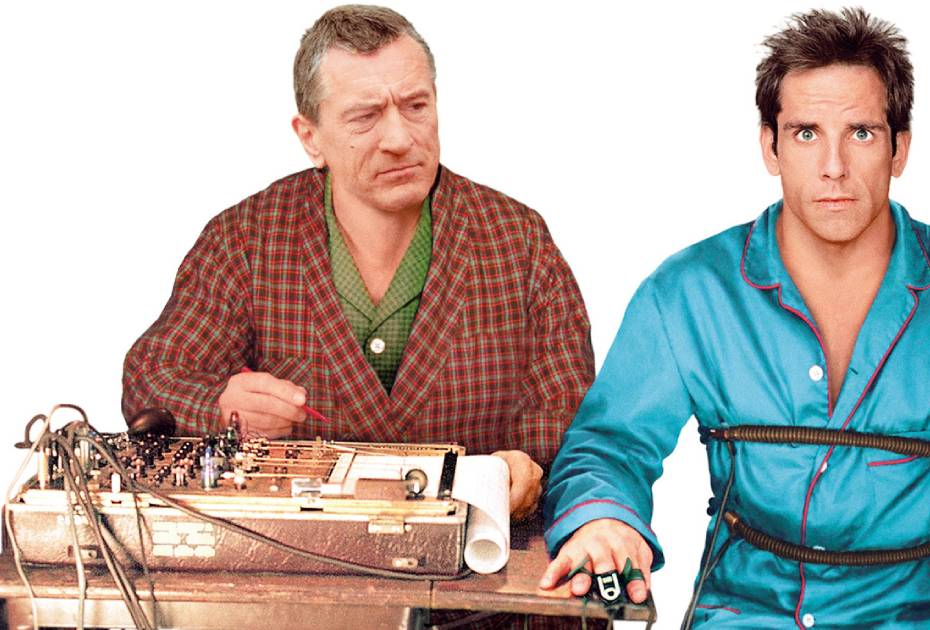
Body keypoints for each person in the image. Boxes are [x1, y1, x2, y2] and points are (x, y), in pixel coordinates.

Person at [541, 8, 930, 629]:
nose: (833, 167)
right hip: (748, 613)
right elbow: (609, 445)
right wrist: (603, 519)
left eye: (861, 133)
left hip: (928, 614)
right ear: (769, 147)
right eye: (805, 134)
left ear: (900, 148)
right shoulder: (686, 293)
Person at [122, 2, 592, 557]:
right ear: (310, 137)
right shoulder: (245, 239)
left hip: (478, 567)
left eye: (416, 106)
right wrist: (220, 408)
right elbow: (150, 378)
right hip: (298, 564)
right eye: (365, 117)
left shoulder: (518, 240)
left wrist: (529, 471)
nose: (399, 138)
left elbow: (580, 427)